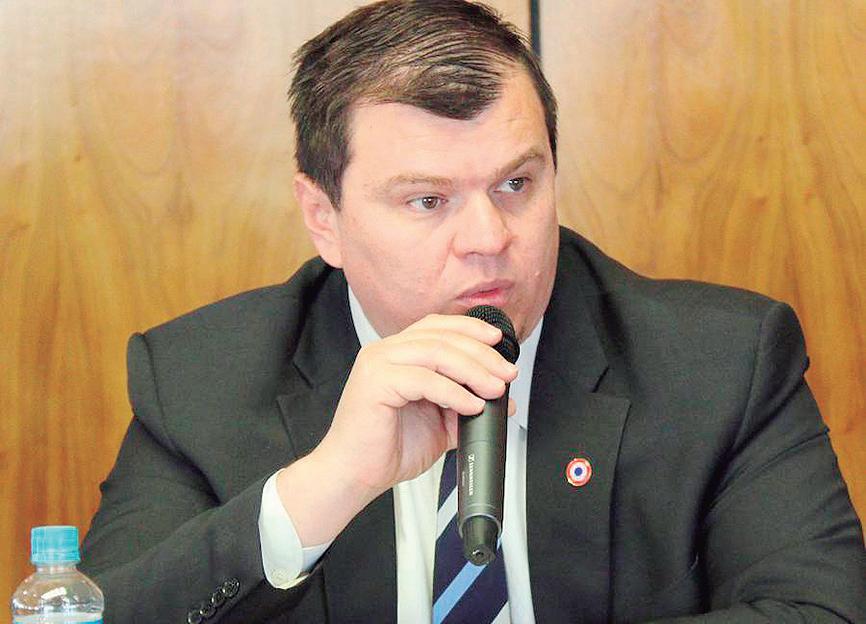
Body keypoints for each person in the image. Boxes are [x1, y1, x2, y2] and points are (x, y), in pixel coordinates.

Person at [79, 1, 866, 622]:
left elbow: (820, 611)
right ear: (324, 219)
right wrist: (327, 484)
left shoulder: (722, 365)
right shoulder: (199, 383)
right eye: (428, 200)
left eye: (516, 184)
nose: (490, 239)